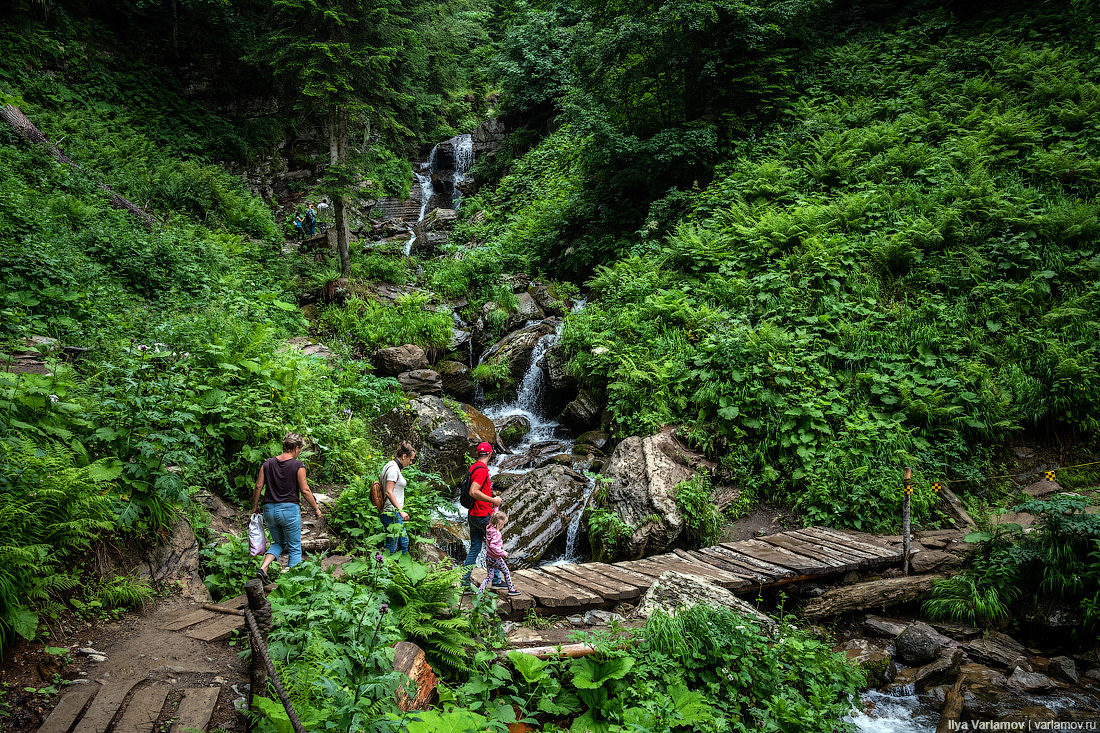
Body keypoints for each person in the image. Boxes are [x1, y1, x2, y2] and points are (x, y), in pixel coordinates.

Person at [250, 433, 324, 583]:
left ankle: (263, 568)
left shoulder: (267, 463)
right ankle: (293, 583)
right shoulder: (298, 465)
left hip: (269, 510)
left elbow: (258, 486)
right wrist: (316, 508)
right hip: (289, 510)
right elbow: (305, 490)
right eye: (300, 448)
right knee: (295, 546)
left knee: (278, 542)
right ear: (296, 448)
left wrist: (255, 506)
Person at [462, 442, 502, 589]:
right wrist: (493, 500)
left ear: (477, 453)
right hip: (483, 515)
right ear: (490, 454)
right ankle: (497, 580)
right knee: (494, 546)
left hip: (473, 514)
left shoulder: (473, 467)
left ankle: (465, 582)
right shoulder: (482, 470)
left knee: (475, 548)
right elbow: (473, 491)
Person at [379, 441, 416, 555]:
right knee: (392, 545)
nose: (410, 463)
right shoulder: (393, 469)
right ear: (404, 456)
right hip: (392, 513)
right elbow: (389, 492)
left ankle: (400, 569)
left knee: (404, 542)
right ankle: (385, 570)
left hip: (393, 512)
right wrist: (401, 511)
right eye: (410, 460)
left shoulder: (389, 465)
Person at [477, 510, 520, 595]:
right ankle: (511, 589)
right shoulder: (497, 534)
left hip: (488, 557)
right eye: (503, 524)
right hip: (496, 558)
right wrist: (503, 552)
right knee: (506, 572)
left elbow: (495, 515)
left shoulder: (489, 528)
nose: (503, 526)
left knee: (489, 576)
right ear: (499, 523)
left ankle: (480, 590)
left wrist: (496, 507)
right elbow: (493, 545)